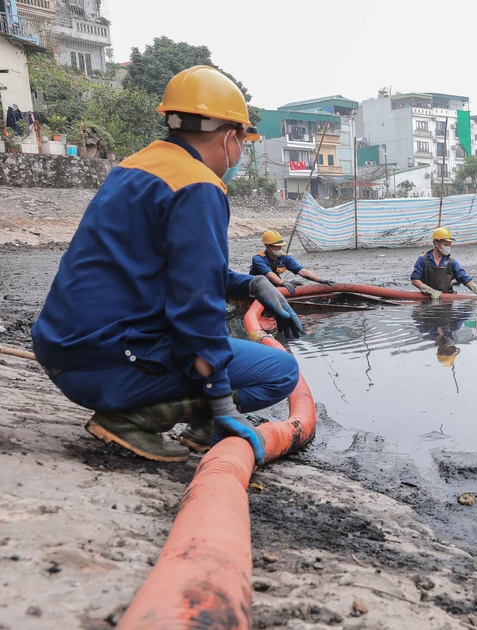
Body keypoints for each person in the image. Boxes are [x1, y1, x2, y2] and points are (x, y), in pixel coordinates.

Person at [31, 65, 304, 464]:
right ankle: (139, 419)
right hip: (109, 363)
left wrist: (249, 285)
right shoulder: (198, 186)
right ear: (230, 137)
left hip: (64, 351)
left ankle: (188, 425)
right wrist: (222, 400)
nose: (240, 152)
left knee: (226, 355)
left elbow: (163, 265)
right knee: (279, 371)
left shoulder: (136, 167)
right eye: (243, 140)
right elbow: (195, 304)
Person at [410, 227, 477, 299]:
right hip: (427, 297)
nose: (448, 247)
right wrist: (430, 291)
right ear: (437, 244)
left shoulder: (451, 262)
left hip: (447, 299)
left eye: (449, 245)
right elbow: (415, 279)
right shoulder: (423, 259)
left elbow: (465, 278)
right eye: (445, 245)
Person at [249, 230, 333, 293]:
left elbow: (301, 271)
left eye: (281, 246)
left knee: (298, 284)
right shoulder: (258, 259)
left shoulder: (284, 258)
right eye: (277, 247)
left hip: (274, 287)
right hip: (257, 288)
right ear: (267, 246)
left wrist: (320, 280)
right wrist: (283, 283)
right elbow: (269, 274)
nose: (280, 248)